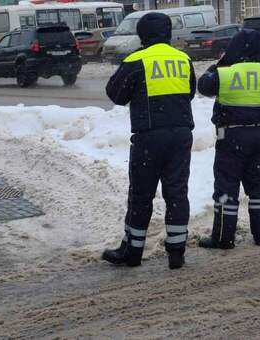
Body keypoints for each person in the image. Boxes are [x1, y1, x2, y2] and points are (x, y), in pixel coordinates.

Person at [102, 12, 196, 269]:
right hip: (180, 134)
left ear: (142, 34)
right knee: (177, 192)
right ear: (168, 33)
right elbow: (189, 92)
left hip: (150, 136)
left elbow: (116, 95)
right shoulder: (183, 59)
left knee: (141, 194)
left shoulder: (136, 60)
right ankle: (176, 252)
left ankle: (132, 251)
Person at [197, 29, 260, 249]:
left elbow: (203, 85)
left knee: (226, 187)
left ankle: (223, 237)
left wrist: (217, 65)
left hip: (230, 136)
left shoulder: (225, 73)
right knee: (258, 186)